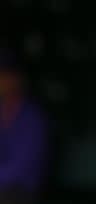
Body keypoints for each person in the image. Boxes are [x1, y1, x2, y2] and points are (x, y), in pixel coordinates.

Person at [0, 51, 48, 204]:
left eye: (6, 75)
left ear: (18, 78)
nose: (2, 81)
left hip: (19, 191)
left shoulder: (32, 117)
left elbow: (21, 167)